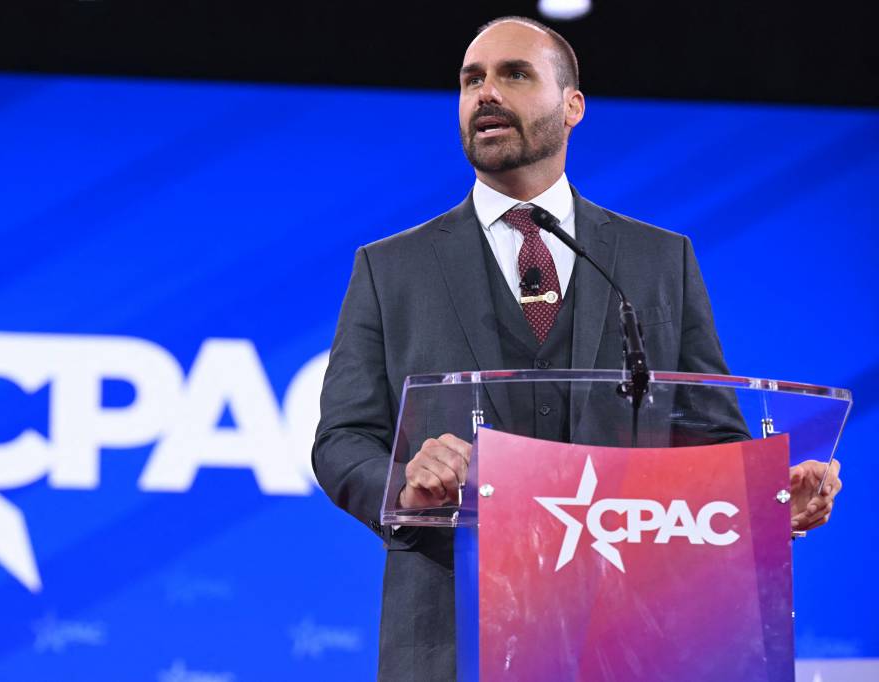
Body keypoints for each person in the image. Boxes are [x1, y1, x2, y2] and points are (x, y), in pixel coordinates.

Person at [312, 16, 842, 681]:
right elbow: (341, 441)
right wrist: (404, 488)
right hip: (453, 640)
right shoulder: (390, 270)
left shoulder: (656, 262)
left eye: (514, 74)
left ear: (572, 106)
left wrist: (764, 505)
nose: (485, 94)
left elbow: (710, 440)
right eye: (471, 79)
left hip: (628, 639)